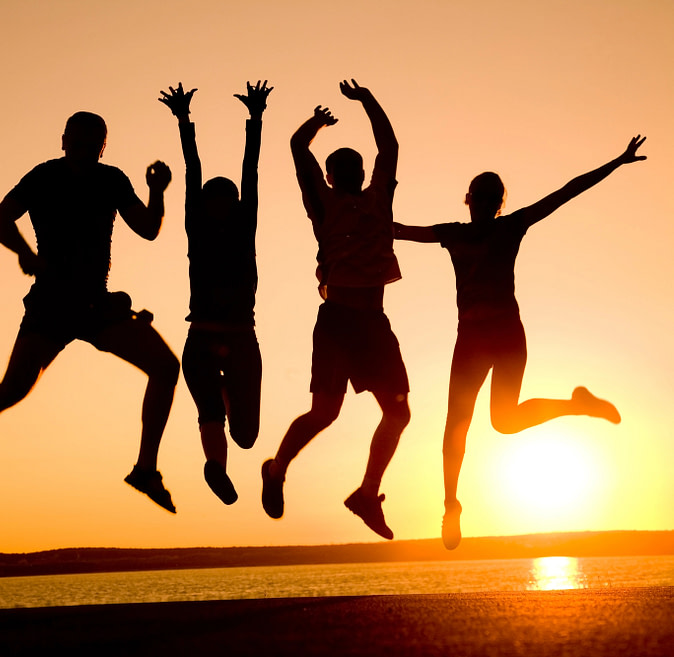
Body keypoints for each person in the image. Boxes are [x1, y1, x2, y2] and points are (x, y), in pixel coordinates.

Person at [394, 135, 646, 550]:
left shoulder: (482, 230)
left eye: (486, 197)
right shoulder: (465, 232)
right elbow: (397, 231)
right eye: (481, 196)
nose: (481, 202)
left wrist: (615, 163)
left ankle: (452, 503)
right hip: (490, 336)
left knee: (471, 423)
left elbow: (567, 192)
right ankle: (453, 505)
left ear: (484, 201)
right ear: (473, 199)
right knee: (488, 422)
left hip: (494, 336)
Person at [0, 111, 180, 513]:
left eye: (92, 144)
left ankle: (145, 469)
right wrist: (26, 252)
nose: (83, 150)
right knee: (14, 388)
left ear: (103, 147)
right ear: (64, 140)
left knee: (166, 367)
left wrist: (157, 190)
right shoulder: (43, 176)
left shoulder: (112, 180)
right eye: (76, 142)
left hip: (96, 303)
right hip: (52, 302)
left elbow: (149, 228)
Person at [261, 80, 410, 539]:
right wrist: (315, 125)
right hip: (339, 322)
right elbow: (295, 146)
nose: (351, 171)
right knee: (326, 412)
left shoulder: (378, 198)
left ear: (363, 171)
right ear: (329, 177)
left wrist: (368, 99)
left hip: (374, 322)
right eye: (340, 167)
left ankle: (366, 495)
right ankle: (277, 467)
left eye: (356, 165)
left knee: (399, 412)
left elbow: (390, 145)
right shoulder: (323, 204)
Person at [158, 80, 271, 505]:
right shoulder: (208, 225)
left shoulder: (231, 225)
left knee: (237, 433)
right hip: (218, 338)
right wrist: (186, 122)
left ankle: (220, 457)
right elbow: (203, 173)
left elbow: (241, 172)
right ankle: (217, 469)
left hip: (225, 339)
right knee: (218, 420)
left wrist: (254, 121)